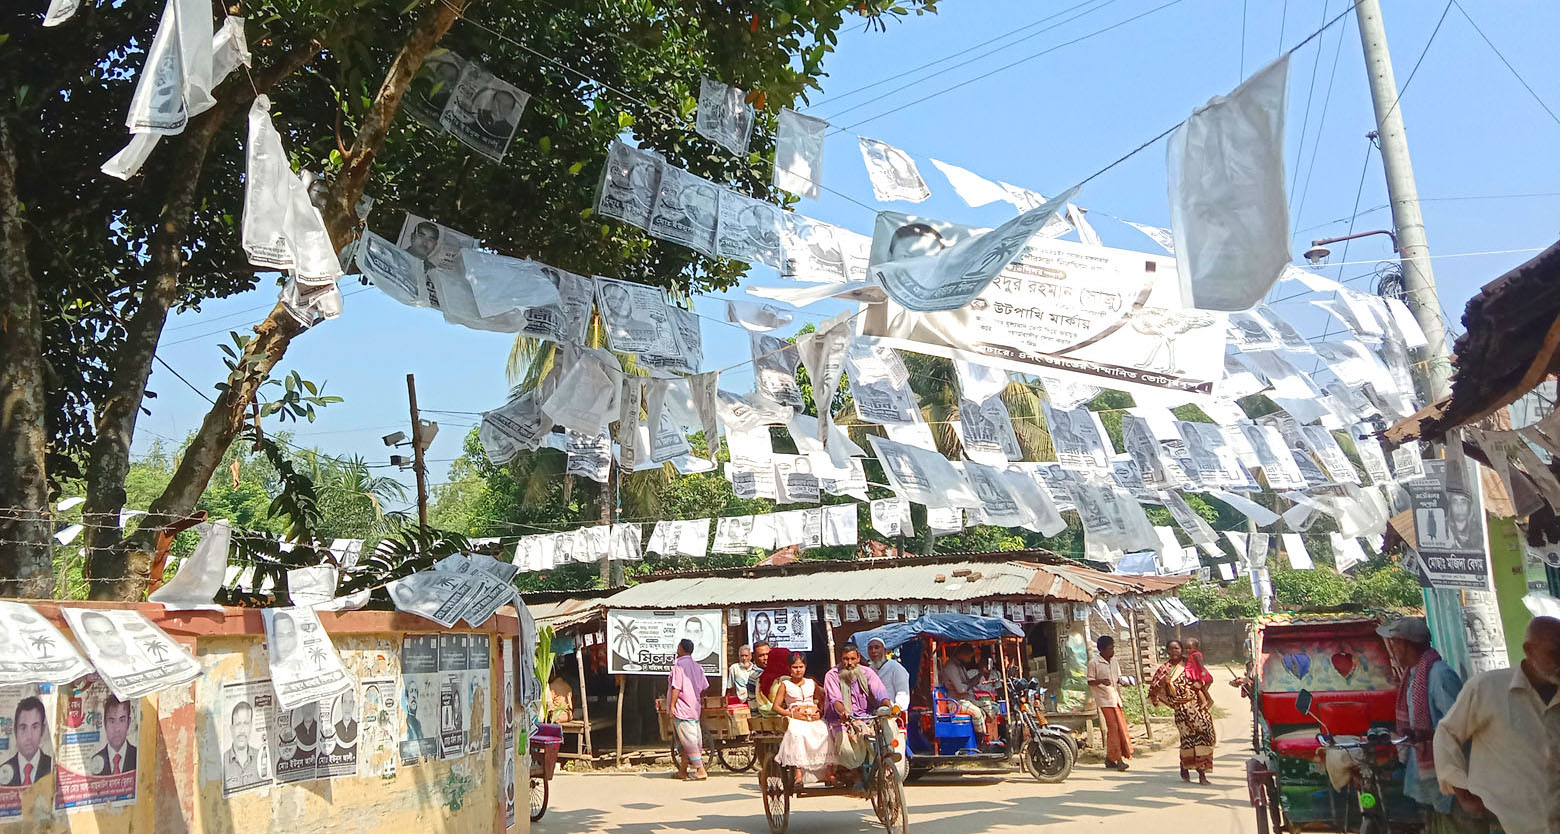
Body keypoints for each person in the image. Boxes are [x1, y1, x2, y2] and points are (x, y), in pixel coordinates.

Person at [1433, 616, 1560, 834]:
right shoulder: (1487, 688)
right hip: (1506, 821)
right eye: (1554, 654)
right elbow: (1446, 733)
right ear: (1529, 650)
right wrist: (1462, 790)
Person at [1376, 617, 1465, 833]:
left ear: (1406, 644)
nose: (1393, 650)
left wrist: (1427, 735)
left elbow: (1461, 726)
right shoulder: (1413, 676)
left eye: (1395, 643)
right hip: (1427, 777)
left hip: (1448, 776)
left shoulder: (1439, 675)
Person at [1149, 639, 1216, 783]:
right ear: (1167, 651)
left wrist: (1201, 684)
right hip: (1180, 710)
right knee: (1188, 740)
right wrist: (1162, 682)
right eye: (1171, 649)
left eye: (1177, 649)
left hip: (1197, 707)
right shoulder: (1164, 669)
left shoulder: (1190, 663)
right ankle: (1185, 765)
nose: (1174, 652)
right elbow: (1153, 690)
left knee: (1204, 737)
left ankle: (1202, 773)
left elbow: (1207, 677)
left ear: (1182, 650)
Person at [773, 652, 832, 786]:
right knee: (796, 734)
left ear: (805, 667)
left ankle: (829, 772)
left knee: (826, 732)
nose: (798, 670)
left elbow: (823, 701)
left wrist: (820, 712)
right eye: (794, 667)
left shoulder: (811, 683)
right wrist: (791, 714)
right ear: (789, 669)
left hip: (813, 717)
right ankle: (798, 773)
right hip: (795, 718)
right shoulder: (785, 684)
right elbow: (776, 707)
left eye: (800, 667)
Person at [866, 637, 911, 780]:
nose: (874, 651)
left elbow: (903, 692)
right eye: (871, 648)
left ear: (884, 650)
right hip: (870, 714)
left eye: (877, 648)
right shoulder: (868, 670)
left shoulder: (896, 668)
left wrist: (896, 707)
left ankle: (890, 754)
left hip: (890, 712)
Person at [1088, 635, 1134, 771]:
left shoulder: (1114, 661)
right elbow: (1090, 681)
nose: (1112, 651)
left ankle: (1110, 758)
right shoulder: (1094, 663)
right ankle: (1118, 759)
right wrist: (1101, 681)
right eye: (1109, 649)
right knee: (1113, 728)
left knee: (1120, 727)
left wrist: (1125, 682)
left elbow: (1118, 678)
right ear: (1101, 650)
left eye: (1113, 648)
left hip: (1115, 697)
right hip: (1104, 698)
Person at [666, 638, 709, 781]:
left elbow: (676, 687)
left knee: (689, 740)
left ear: (681, 649)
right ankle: (682, 771)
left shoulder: (679, 666)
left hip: (682, 708)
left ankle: (700, 769)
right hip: (694, 708)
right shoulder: (698, 666)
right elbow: (703, 686)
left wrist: (672, 706)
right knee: (686, 739)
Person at [941, 644, 997, 749]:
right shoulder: (951, 667)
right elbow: (961, 689)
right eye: (969, 656)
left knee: (993, 707)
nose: (970, 659)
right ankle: (981, 742)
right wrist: (970, 685)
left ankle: (983, 733)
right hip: (956, 702)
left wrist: (980, 674)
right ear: (962, 654)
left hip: (966, 699)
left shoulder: (960, 666)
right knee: (977, 712)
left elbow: (968, 683)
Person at [1, 696, 51, 785]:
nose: (29, 736)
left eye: (35, 727)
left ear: (42, 730)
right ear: (15, 731)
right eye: (23, 727)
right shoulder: (3, 771)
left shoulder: (53, 767)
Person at [91, 695, 136, 776]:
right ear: (105, 723)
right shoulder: (95, 761)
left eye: (122, 720)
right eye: (112, 721)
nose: (117, 729)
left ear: (128, 723)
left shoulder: (137, 755)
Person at [224, 701, 262, 791]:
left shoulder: (261, 757)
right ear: (231, 728)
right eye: (237, 724)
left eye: (246, 723)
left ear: (251, 726)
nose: (242, 730)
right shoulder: (222, 762)